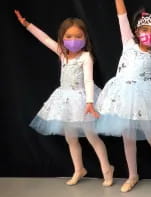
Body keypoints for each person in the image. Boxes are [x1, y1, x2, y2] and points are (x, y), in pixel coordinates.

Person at [14, 10, 114, 186]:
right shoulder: (62, 52)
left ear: (84, 37)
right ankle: (79, 169)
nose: (73, 40)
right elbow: (44, 39)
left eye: (78, 36)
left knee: (92, 137)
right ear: (62, 37)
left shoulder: (85, 57)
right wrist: (27, 25)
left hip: (82, 100)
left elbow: (89, 81)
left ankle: (107, 169)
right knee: (70, 138)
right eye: (69, 36)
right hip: (65, 101)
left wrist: (90, 102)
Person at [95, 0, 151, 193]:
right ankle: (132, 175)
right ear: (137, 32)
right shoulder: (128, 43)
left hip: (144, 100)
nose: (148, 34)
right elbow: (121, 15)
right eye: (144, 30)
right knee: (127, 137)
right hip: (121, 96)